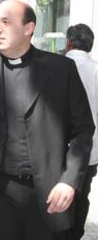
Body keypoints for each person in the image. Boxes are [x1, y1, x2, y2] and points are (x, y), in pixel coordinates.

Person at [0, 0, 94, 240]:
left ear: (29, 28)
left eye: (6, 22)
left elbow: (82, 131)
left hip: (47, 194)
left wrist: (69, 181)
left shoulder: (61, 70)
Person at [65, 23, 98, 240]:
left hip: (59, 146)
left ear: (68, 42)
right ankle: (75, 234)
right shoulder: (96, 69)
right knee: (82, 194)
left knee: (57, 195)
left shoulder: (58, 65)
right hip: (91, 149)